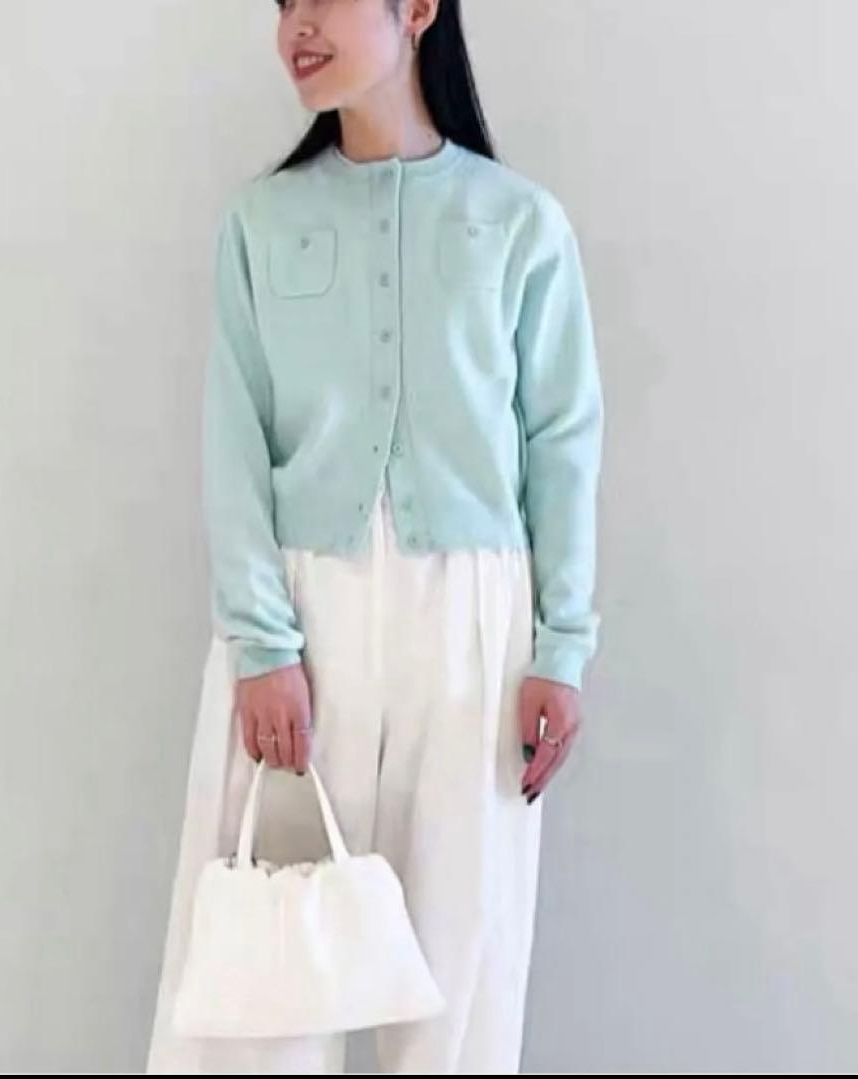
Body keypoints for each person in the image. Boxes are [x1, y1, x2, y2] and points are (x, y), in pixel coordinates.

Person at [146, 0, 604, 1072]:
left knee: (458, 983)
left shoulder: (520, 224)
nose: (296, 26)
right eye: (283, 4)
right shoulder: (262, 222)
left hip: (474, 631)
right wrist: (262, 643)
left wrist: (561, 648)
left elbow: (563, 442)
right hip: (304, 620)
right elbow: (235, 440)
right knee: (265, 987)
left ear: (418, 9)